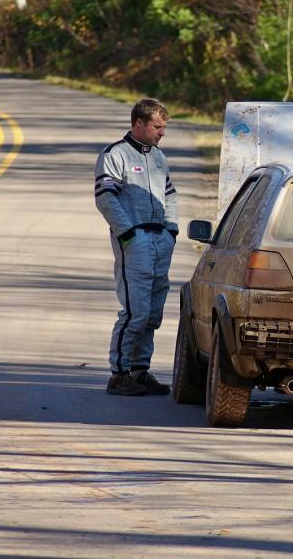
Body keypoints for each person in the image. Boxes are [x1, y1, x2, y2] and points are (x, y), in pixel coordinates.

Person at [94, 98, 178, 396]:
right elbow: (106, 198)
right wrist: (128, 234)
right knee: (135, 311)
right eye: (157, 126)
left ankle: (140, 372)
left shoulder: (158, 156)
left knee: (154, 312)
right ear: (138, 123)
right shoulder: (114, 155)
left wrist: (172, 230)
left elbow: (169, 194)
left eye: (163, 127)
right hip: (135, 240)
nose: (161, 133)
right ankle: (119, 374)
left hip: (160, 241)